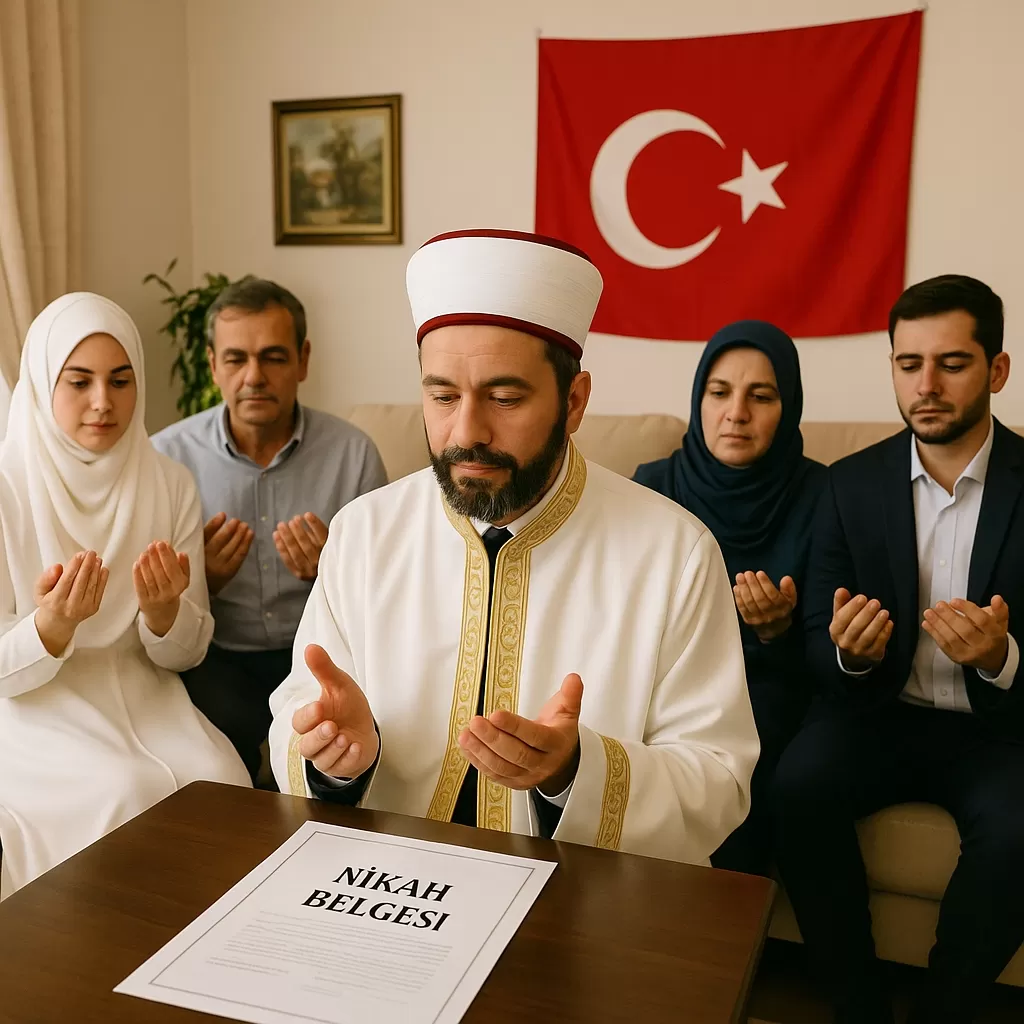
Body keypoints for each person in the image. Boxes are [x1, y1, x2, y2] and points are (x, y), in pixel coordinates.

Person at [267, 229, 759, 861]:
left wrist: (574, 773)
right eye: (443, 396)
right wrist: (336, 759)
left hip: (580, 890)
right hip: (389, 875)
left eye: (504, 398)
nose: (466, 432)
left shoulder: (675, 554)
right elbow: (298, 715)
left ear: (574, 402)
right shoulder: (364, 533)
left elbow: (718, 780)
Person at [772, 275, 1024, 1024]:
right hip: (879, 713)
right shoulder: (848, 484)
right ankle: (856, 1004)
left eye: (952, 363)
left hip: (999, 730)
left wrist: (1001, 659)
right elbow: (817, 636)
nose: (927, 385)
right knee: (796, 786)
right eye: (909, 364)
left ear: (997, 371)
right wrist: (849, 654)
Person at [0, 293, 250, 898]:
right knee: (123, 788)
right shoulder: (7, 491)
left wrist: (164, 615)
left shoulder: (169, 482)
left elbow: (187, 653)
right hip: (36, 708)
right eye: (78, 382)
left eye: (120, 380)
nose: (102, 402)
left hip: (150, 696)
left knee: (223, 776)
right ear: (42, 383)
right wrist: (52, 625)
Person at [152, 277, 387, 783]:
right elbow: (153, 611)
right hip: (215, 656)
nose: (254, 376)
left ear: (303, 360)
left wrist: (331, 574)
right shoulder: (166, 458)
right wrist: (201, 583)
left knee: (340, 752)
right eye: (236, 359)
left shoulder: (353, 454)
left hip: (322, 656)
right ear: (213, 364)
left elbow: (387, 593)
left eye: (273, 357)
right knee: (207, 764)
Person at [633, 321, 826, 876]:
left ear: (788, 407)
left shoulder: (821, 494)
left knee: (750, 749)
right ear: (699, 400)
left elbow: (824, 659)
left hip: (765, 687)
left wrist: (775, 632)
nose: (736, 413)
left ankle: (727, 920)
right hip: (662, 682)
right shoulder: (653, 486)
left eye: (760, 396)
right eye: (719, 392)